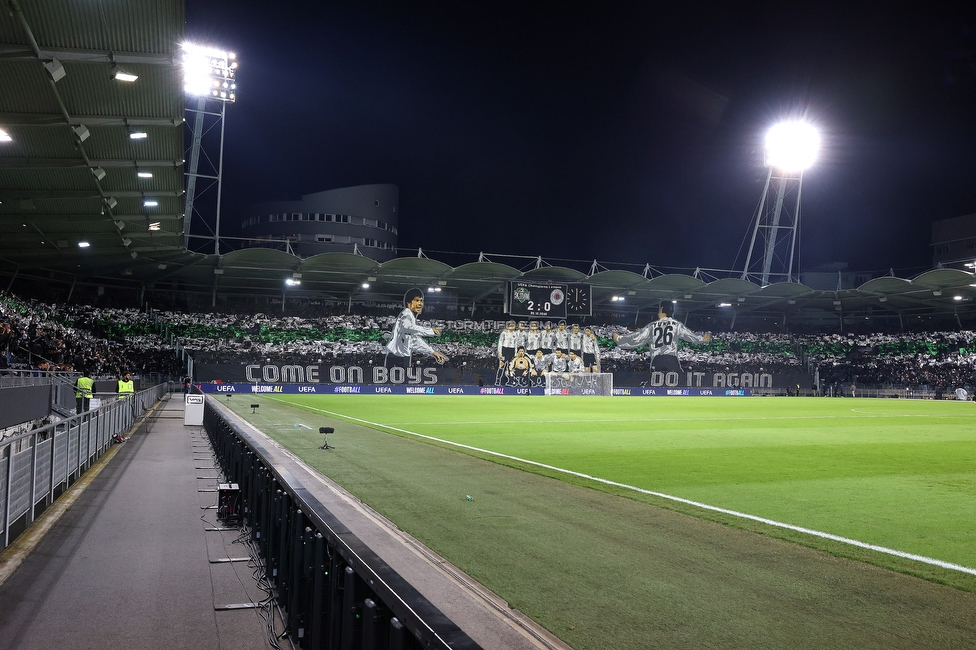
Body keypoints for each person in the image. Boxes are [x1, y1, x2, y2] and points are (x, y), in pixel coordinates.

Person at [613, 301, 711, 375]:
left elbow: (637, 338)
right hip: (671, 359)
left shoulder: (653, 325)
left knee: (654, 383)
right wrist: (702, 338)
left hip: (657, 359)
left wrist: (620, 339)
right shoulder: (676, 325)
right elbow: (689, 336)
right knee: (679, 382)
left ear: (662, 310)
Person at [384, 288, 448, 369]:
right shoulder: (407, 313)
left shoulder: (411, 317)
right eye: (417, 300)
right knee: (398, 380)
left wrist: (433, 352)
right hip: (397, 358)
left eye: (421, 300)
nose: (420, 304)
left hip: (400, 357)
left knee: (396, 380)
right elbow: (408, 327)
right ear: (409, 303)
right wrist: (430, 331)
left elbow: (415, 340)